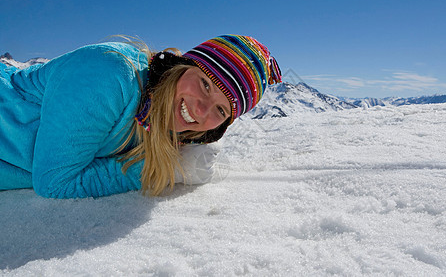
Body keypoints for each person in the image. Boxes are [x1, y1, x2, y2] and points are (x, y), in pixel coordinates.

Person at [0, 35, 282, 198]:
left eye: (221, 110)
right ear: (182, 66)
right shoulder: (110, 74)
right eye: (205, 84)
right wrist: (165, 170)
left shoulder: (169, 117)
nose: (200, 110)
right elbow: (54, 181)